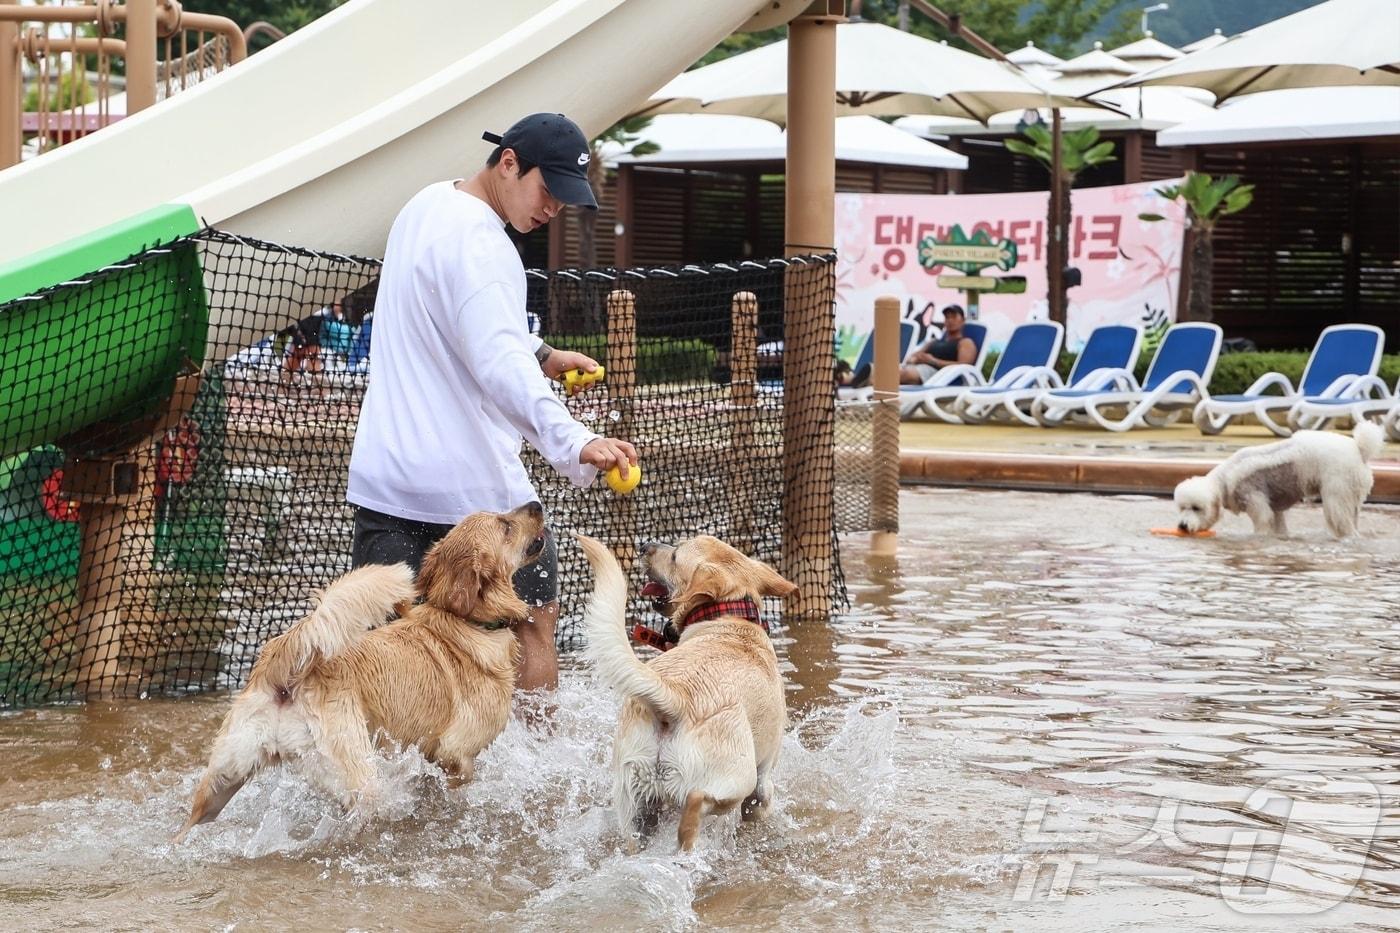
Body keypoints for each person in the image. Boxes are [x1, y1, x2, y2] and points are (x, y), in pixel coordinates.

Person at [346, 112, 637, 693]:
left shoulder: (424, 206)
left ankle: (395, 777)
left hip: (388, 479)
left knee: (381, 654)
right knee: (533, 624)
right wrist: (576, 441)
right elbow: (499, 365)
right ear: (508, 162)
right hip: (475, 495)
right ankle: (534, 779)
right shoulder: (487, 244)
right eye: (547, 189)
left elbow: (456, 320)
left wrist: (541, 351)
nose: (553, 206)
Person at [844, 304, 978, 388]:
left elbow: (963, 366)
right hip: (917, 368)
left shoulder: (965, 342)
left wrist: (932, 360)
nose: (949, 320)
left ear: (963, 320)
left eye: (953, 317)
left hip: (938, 374)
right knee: (893, 368)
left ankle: (868, 380)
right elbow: (914, 356)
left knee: (901, 373)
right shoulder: (934, 341)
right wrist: (914, 358)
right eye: (947, 317)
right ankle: (843, 379)